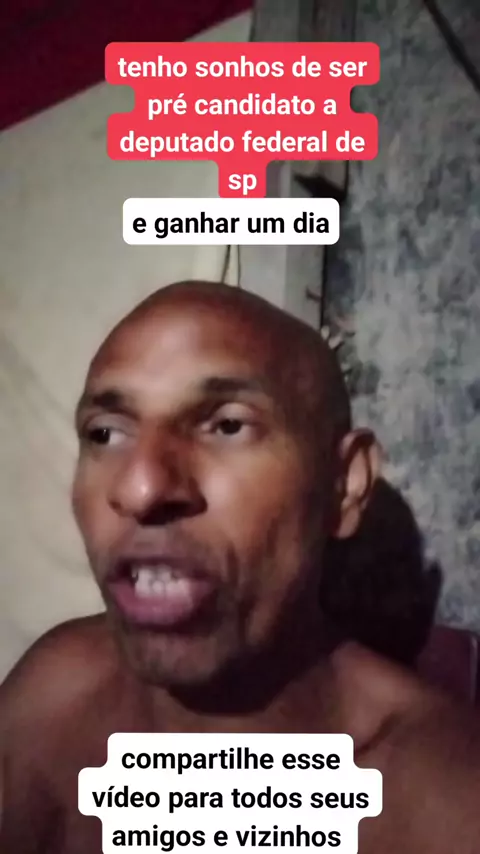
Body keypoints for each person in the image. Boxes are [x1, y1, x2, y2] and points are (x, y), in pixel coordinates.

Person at [1, 280, 479, 853]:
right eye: (106, 434)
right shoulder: (54, 699)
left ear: (344, 484)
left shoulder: (445, 804)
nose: (141, 487)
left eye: (228, 425)